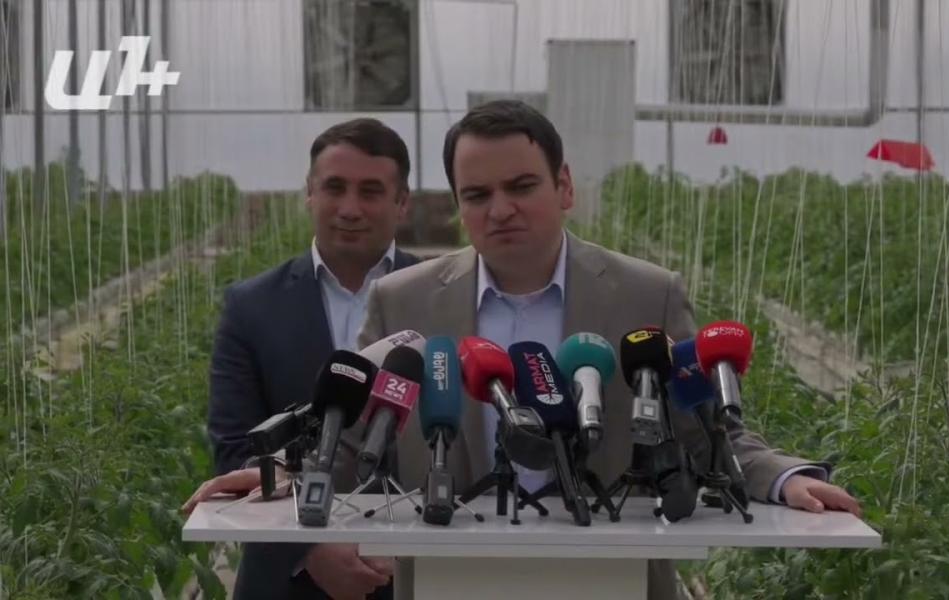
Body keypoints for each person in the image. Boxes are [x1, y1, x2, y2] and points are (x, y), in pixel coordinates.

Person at [353, 100, 861, 600]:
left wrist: (781, 479)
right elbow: (355, 436)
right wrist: (307, 510)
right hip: (452, 578)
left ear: (564, 186)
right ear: (459, 206)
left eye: (522, 186)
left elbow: (703, 430)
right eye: (477, 194)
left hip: (613, 575)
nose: (501, 209)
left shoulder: (647, 295)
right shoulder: (402, 303)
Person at [201, 118, 420, 600]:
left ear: (402, 202)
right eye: (334, 188)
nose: (350, 209)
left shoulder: (441, 299)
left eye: (371, 191)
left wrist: (401, 548)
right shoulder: (252, 307)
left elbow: (464, 447)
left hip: (415, 573)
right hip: (289, 581)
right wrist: (307, 546)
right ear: (309, 193)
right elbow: (236, 449)